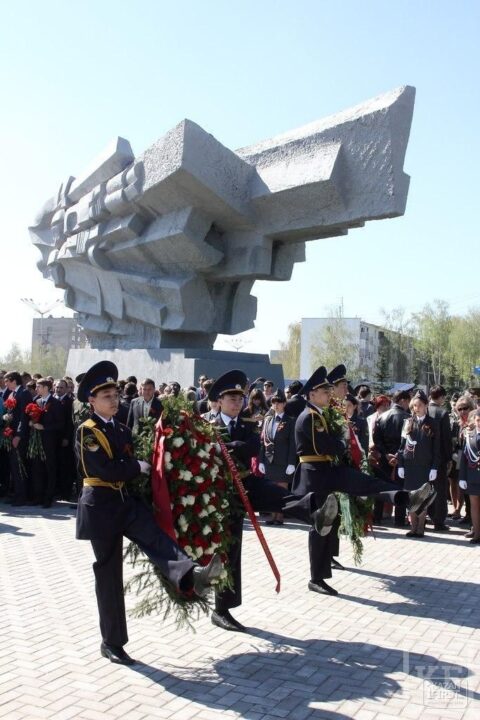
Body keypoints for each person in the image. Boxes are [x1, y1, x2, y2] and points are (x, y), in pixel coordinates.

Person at [75, 361, 224, 665]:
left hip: (124, 501)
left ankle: (190, 574)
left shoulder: (120, 428)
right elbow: (102, 468)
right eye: (106, 396)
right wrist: (135, 468)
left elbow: (131, 463)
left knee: (155, 537)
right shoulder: (87, 431)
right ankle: (112, 642)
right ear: (92, 400)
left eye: (115, 395)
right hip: (100, 506)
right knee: (109, 574)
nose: (114, 400)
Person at [292, 367, 435, 597]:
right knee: (320, 526)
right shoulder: (310, 416)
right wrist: (341, 441)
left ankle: (408, 498)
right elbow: (324, 446)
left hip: (328, 469)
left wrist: (341, 444)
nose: (329, 394)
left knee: (368, 483)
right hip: (315, 474)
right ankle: (316, 578)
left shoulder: (318, 413)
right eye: (324, 391)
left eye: (329, 390)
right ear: (311, 395)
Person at [206, 370, 306, 632]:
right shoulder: (206, 424)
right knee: (222, 550)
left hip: (244, 484)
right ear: (219, 400)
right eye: (231, 398)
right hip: (217, 492)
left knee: (236, 547)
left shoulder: (249, 423)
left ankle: (315, 511)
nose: (237, 402)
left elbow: (253, 447)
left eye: (240, 397)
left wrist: (231, 445)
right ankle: (220, 608)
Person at [398, 390, 440, 538]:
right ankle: (413, 526)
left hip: (424, 467)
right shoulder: (408, 422)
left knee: (422, 498)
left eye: (420, 405)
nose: (417, 408)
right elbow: (402, 446)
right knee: (410, 497)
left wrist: (434, 467)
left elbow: (436, 448)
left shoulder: (432, 423)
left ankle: (421, 527)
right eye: (414, 406)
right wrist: (400, 465)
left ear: (426, 405)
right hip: (410, 466)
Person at [373, 389, 413, 526]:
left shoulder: (382, 417)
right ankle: (399, 519)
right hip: (402, 458)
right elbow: (408, 439)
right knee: (401, 487)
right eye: (408, 401)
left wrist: (385, 453)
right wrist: (398, 454)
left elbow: (376, 438)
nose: (409, 404)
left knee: (381, 485)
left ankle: (376, 516)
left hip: (385, 457)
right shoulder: (407, 418)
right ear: (403, 400)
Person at [259, 389, 296, 524]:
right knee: (271, 489)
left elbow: (293, 443)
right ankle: (272, 516)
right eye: (273, 402)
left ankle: (280, 516)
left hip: (283, 461)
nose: (276, 404)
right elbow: (263, 441)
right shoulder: (267, 419)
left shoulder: (290, 421)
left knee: (281, 489)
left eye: (279, 402)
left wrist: (292, 462)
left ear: (284, 403)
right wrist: (261, 460)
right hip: (269, 460)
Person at [29, 378, 65, 508]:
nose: (36, 389)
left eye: (38, 386)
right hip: (36, 441)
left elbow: (61, 424)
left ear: (46, 388)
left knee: (50, 469)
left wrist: (44, 428)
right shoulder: (36, 401)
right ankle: (38, 496)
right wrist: (31, 423)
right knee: (37, 468)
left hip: (50, 442)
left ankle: (48, 498)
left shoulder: (55, 403)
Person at [3, 370, 32, 506]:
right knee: (14, 466)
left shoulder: (24, 393)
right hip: (12, 433)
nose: (5, 383)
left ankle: (22, 496)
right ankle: (17, 494)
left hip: (19, 436)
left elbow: (23, 417)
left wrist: (19, 436)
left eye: (7, 380)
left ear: (14, 381)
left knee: (19, 466)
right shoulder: (12, 393)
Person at [428, 385, 453, 531]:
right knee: (440, 489)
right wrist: (449, 458)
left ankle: (426, 516)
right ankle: (439, 521)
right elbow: (446, 439)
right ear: (442, 397)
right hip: (440, 458)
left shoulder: (422, 410)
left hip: (424, 457)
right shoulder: (442, 413)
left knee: (426, 488)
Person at [458, 409, 480, 543]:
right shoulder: (469, 435)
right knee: (474, 506)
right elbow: (464, 458)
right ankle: (477, 533)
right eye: (478, 420)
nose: (479, 423)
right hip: (472, 477)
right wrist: (462, 477)